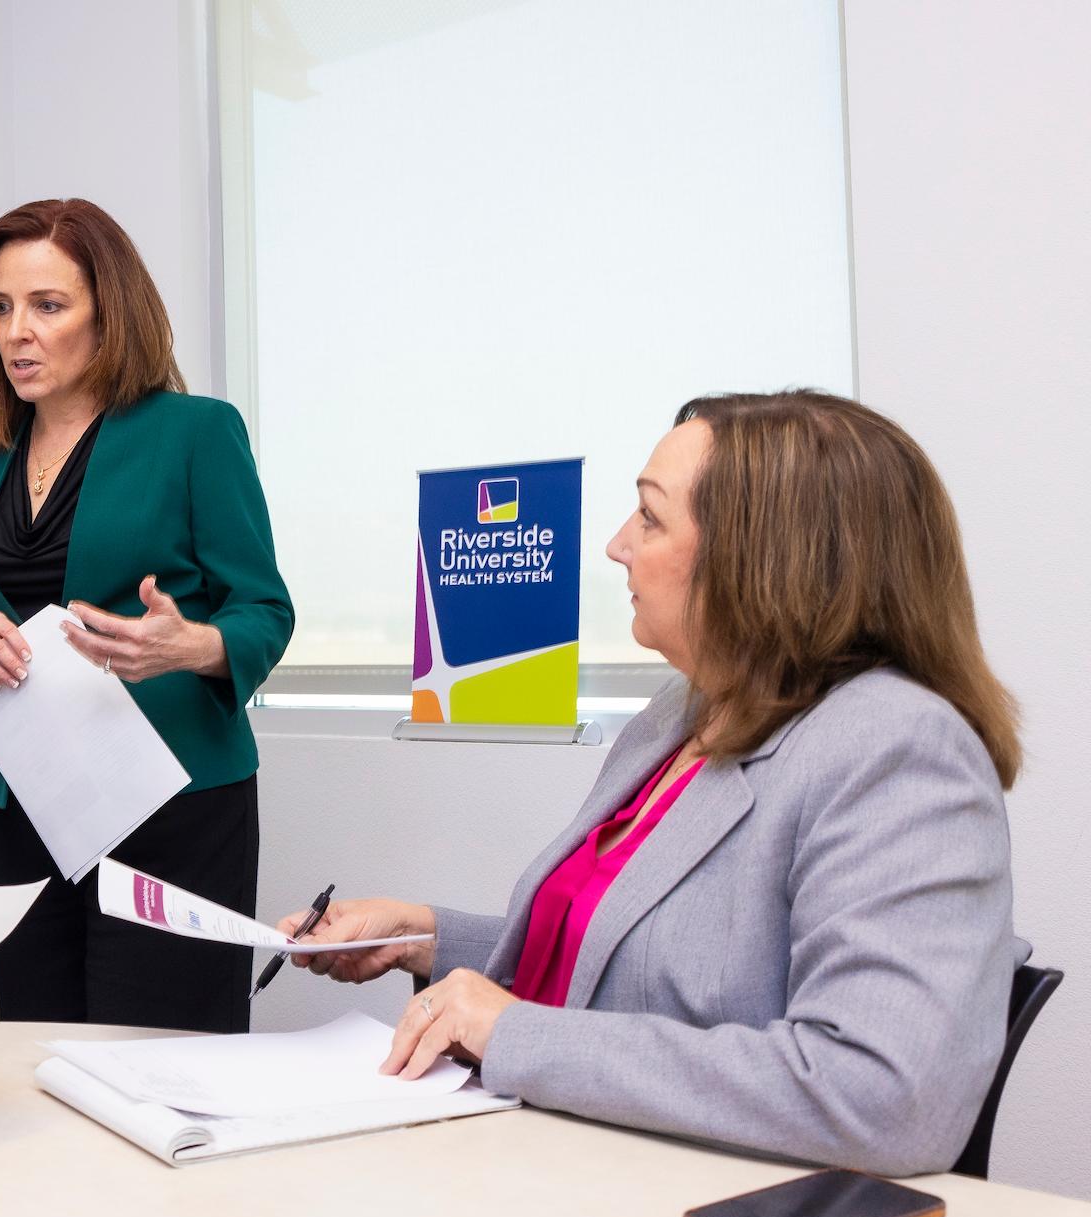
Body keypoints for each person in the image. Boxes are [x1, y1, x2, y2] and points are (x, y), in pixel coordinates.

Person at [286, 391, 1020, 1176]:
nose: (614, 545)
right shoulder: (682, 708)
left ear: (761, 556)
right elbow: (630, 961)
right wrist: (423, 936)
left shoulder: (898, 748)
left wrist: (513, 1032)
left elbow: (881, 1096)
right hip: (556, 1164)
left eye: (650, 517)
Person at [0, 198, 293, 1033]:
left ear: (109, 315)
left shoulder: (196, 433)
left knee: (166, 1066)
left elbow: (264, 610)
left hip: (171, 806)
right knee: (39, 1061)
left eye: (47, 306)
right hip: (20, 803)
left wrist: (194, 644)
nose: (16, 330)